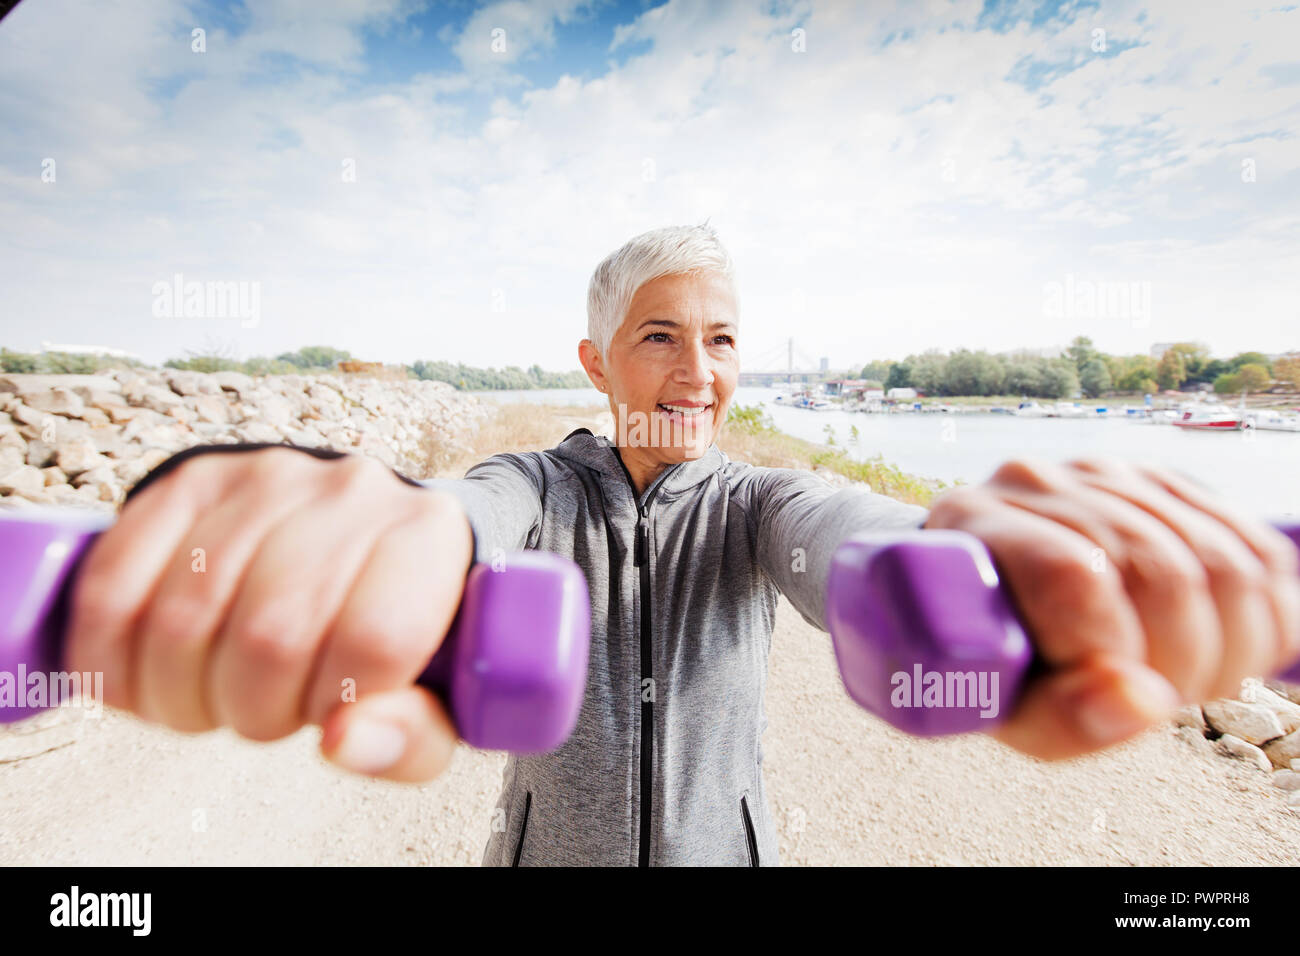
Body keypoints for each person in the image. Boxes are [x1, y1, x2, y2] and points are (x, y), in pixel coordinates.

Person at [66, 224, 1300, 866]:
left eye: (720, 338)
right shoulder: (534, 484)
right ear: (597, 358)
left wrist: (950, 550)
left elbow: (840, 528)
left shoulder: (757, 502)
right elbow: (460, 507)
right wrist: (390, 527)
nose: (695, 369)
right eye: (659, 334)